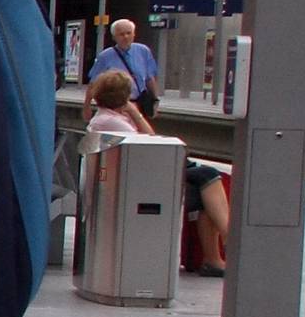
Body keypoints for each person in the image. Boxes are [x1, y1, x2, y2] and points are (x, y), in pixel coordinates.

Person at [87, 69, 231, 276]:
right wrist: (135, 113)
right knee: (208, 177)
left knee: (205, 187)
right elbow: (150, 140)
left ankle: (214, 259)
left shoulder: (105, 118)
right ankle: (226, 238)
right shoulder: (113, 122)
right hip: (141, 184)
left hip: (133, 176)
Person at [89, 19, 162, 121]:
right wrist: (87, 105)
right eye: (121, 34)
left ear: (134, 34)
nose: (126, 37)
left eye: (129, 33)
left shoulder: (143, 51)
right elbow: (93, 83)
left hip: (139, 104)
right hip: (116, 107)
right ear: (114, 37)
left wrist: (155, 100)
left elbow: (149, 78)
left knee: (141, 133)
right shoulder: (105, 56)